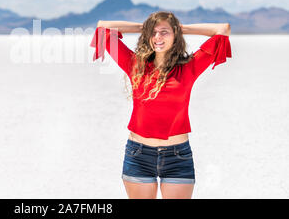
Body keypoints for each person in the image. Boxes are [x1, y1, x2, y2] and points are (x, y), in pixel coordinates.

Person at [90, 11, 232, 199]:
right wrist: (145, 27)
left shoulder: (189, 67)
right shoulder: (135, 64)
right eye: (153, 32)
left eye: (164, 32)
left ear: (175, 36)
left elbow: (223, 30)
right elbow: (103, 26)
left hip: (177, 157)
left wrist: (181, 29)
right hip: (138, 154)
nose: (157, 37)